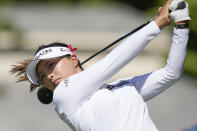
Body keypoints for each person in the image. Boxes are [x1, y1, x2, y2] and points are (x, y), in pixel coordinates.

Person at [11, 0, 191, 130]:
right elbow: (112, 62)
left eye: (50, 66)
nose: (48, 76)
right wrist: (157, 24)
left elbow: (171, 73)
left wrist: (181, 23)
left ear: (73, 59)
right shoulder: (62, 96)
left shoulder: (122, 88)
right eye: (42, 76)